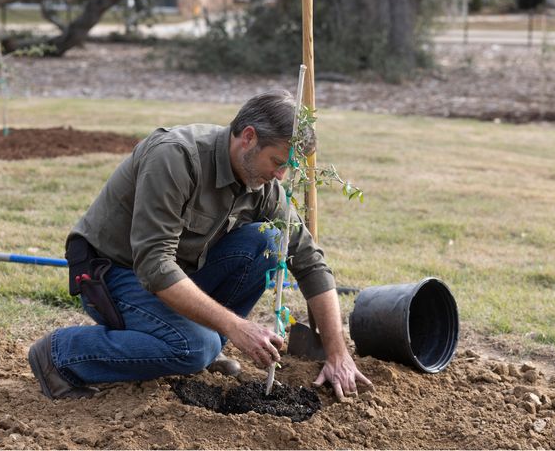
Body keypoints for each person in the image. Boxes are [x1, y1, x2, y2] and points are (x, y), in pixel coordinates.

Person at [28, 90, 371, 401]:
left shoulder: (263, 184)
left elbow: (309, 262)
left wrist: (337, 354)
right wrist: (235, 326)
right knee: (193, 347)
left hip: (176, 276)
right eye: (278, 162)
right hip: (112, 274)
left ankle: (202, 345)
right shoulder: (176, 157)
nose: (281, 175)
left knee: (269, 240)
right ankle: (60, 354)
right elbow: (154, 265)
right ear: (249, 137)